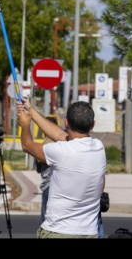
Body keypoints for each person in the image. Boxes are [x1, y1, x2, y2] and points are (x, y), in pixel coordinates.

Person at [17, 98, 106, 239]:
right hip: (88, 232)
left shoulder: (60, 151)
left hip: (58, 232)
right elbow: (59, 135)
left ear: (66, 123)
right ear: (92, 125)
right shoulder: (98, 147)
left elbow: (27, 146)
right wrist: (31, 110)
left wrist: (25, 124)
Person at [34, 116, 58, 223]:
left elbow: (38, 169)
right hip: (61, 186)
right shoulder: (63, 145)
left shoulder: (42, 147)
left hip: (48, 187)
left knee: (46, 220)